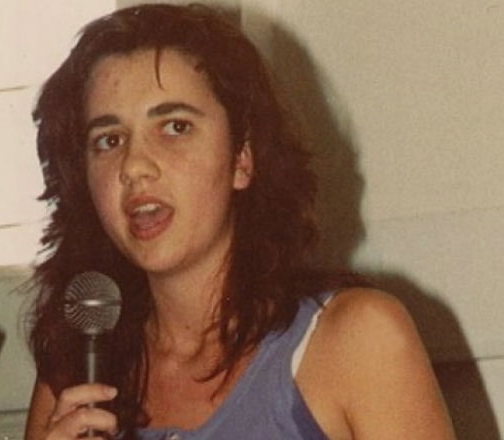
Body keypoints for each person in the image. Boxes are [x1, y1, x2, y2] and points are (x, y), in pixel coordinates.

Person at [25, 3, 455, 439]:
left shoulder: (358, 340)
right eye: (109, 139)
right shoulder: (74, 375)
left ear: (242, 158)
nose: (134, 166)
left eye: (175, 127)